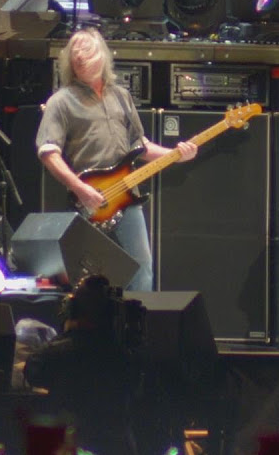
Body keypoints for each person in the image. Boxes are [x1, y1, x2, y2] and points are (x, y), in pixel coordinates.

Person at [35, 28, 197, 292]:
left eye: (87, 54)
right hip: (88, 201)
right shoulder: (61, 102)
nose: (81, 59)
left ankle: (136, 318)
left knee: (141, 269)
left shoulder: (121, 96)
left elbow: (140, 146)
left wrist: (176, 155)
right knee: (87, 278)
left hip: (126, 197)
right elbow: (48, 152)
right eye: (76, 57)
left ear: (102, 56)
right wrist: (80, 188)